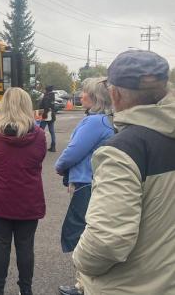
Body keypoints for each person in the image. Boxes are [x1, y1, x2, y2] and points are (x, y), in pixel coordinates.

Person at [72, 50, 175, 294]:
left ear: (114, 93)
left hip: (128, 286)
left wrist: (79, 261)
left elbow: (107, 242)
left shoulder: (122, 151)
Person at [0, 87, 46, 295]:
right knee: (25, 246)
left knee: (0, 244)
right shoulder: (39, 135)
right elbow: (39, 157)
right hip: (28, 199)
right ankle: (26, 290)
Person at [54, 77, 115, 295]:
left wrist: (59, 166)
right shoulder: (108, 120)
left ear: (95, 97)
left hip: (85, 183)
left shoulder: (94, 122)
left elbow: (73, 151)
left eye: (85, 93)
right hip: (97, 182)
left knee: (79, 231)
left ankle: (82, 285)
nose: (80, 96)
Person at [39, 85, 57, 151]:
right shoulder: (52, 96)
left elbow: (46, 106)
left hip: (46, 115)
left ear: (47, 90)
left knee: (40, 131)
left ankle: (40, 145)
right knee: (52, 131)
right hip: (52, 115)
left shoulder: (46, 97)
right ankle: (53, 146)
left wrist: (42, 112)